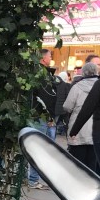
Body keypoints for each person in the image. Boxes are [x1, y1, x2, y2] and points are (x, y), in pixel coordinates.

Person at [27, 49, 58, 189]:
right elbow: (48, 98)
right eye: (50, 56)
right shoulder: (43, 75)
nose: (51, 58)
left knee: (29, 146)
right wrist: (50, 116)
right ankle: (33, 179)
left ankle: (27, 178)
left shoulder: (33, 72)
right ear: (43, 58)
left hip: (33, 114)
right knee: (38, 148)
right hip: (40, 115)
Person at [63, 60, 99, 170]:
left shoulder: (77, 87)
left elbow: (67, 107)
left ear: (83, 73)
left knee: (77, 166)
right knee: (92, 166)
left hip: (78, 132)